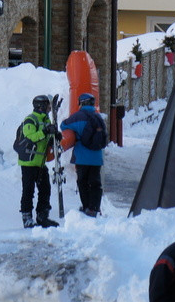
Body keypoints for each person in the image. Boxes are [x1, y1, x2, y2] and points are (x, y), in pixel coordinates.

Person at [16, 94, 59, 228]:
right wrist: (45, 131)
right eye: (48, 106)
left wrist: (54, 136)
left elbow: (46, 139)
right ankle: (26, 217)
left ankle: (42, 215)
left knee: (45, 189)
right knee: (28, 190)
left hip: (40, 162)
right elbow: (31, 137)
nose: (49, 109)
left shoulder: (46, 120)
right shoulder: (30, 120)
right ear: (40, 106)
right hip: (29, 162)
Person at [61, 92, 107, 217]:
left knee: (83, 182)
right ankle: (95, 208)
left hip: (82, 156)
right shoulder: (99, 118)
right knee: (95, 182)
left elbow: (63, 125)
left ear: (81, 103)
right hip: (96, 157)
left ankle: (86, 206)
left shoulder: (78, 116)